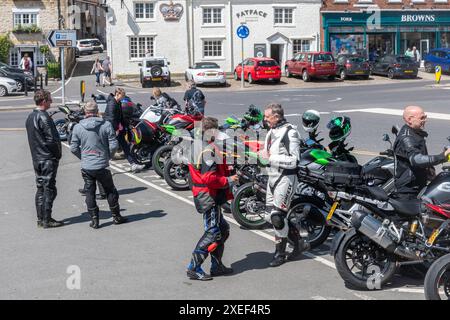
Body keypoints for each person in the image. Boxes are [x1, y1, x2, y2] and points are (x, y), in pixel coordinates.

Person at [186, 117, 238, 281]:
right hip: (208, 195)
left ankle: (216, 266)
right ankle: (193, 267)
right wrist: (229, 180)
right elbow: (209, 177)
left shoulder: (197, 144)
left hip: (205, 193)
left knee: (222, 229)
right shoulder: (208, 150)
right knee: (213, 232)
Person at [262, 103, 310, 267]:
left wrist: (270, 159)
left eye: (267, 116)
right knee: (269, 216)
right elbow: (267, 155)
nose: (265, 119)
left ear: (276, 116)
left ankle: (280, 254)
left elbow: (295, 160)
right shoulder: (270, 131)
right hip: (272, 177)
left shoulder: (290, 132)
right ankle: (299, 241)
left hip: (286, 178)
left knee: (277, 217)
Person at [70, 101, 127, 229]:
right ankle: (116, 217)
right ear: (97, 112)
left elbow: (73, 147)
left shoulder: (78, 127)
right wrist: (108, 156)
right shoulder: (106, 125)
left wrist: (83, 157)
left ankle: (95, 220)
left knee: (90, 193)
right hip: (102, 164)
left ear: (85, 112)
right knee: (110, 191)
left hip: (87, 166)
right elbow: (113, 144)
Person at [25, 90, 64, 228]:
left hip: (37, 158)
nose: (51, 102)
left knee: (41, 188)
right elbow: (52, 140)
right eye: (49, 100)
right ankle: (47, 219)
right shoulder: (44, 117)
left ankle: (41, 219)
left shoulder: (30, 117)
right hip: (47, 158)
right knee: (49, 189)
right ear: (43, 101)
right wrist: (58, 154)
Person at [393, 106, 450, 199]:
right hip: (409, 189)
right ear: (409, 119)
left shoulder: (415, 132)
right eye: (422, 118)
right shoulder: (407, 138)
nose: (425, 120)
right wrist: (443, 156)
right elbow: (417, 160)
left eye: (425, 117)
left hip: (418, 183)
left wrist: (429, 169)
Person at [104, 88, 145, 173]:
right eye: (122, 96)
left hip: (118, 129)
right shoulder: (112, 103)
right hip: (112, 129)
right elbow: (111, 118)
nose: (123, 98)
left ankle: (133, 164)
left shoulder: (118, 102)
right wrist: (115, 130)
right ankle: (104, 167)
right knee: (111, 149)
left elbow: (120, 116)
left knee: (125, 146)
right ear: (117, 94)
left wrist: (124, 126)